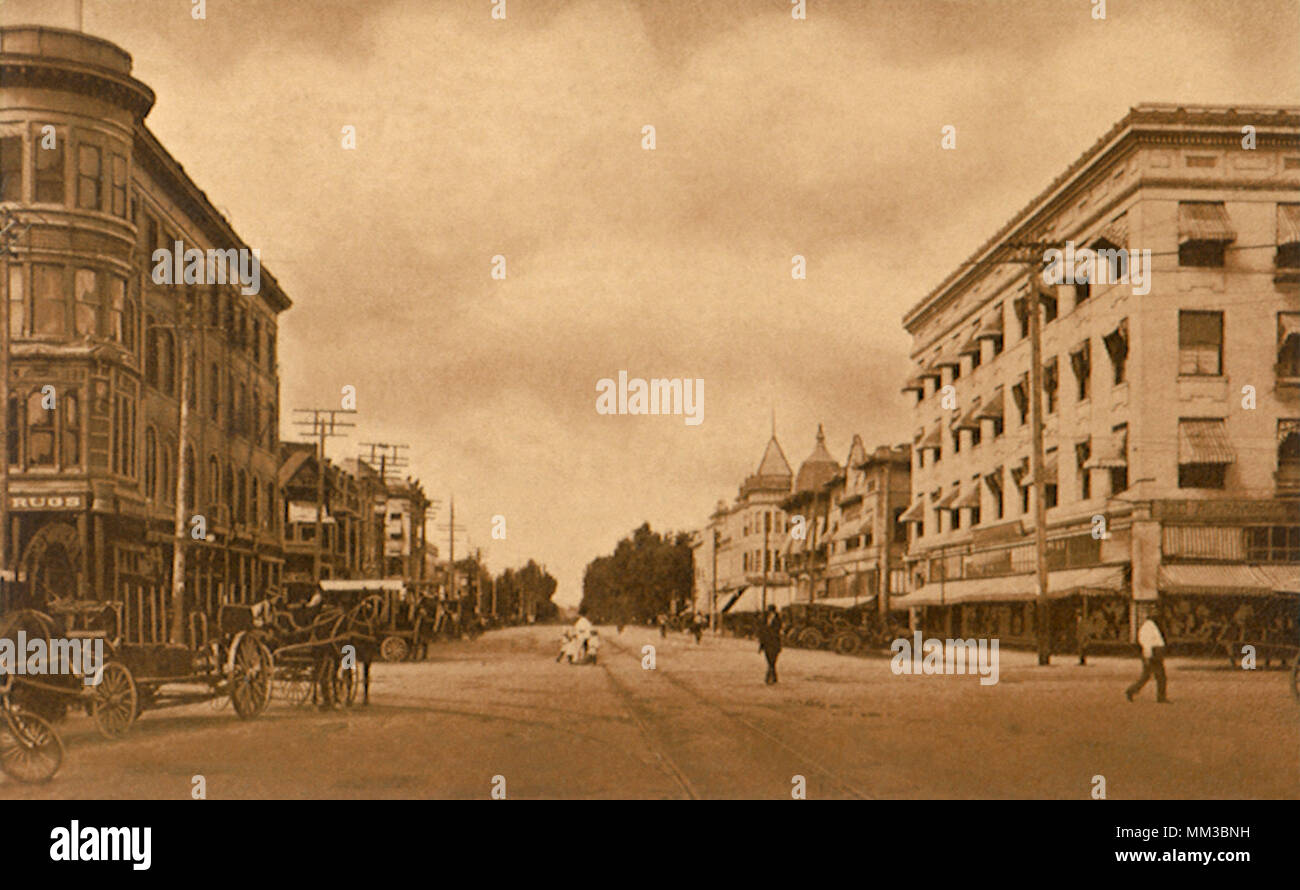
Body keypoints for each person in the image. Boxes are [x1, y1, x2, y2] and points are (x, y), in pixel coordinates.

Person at [1126, 608, 1170, 703]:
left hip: (1155, 652)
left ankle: (1131, 690)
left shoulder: (1151, 626)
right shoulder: (1149, 627)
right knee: (1160, 676)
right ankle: (1161, 697)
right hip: (1154, 653)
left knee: (1146, 676)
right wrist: (1147, 656)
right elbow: (1147, 643)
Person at [757, 605, 782, 685]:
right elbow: (762, 631)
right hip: (767, 643)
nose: (770, 613)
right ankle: (774, 677)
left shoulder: (778, 620)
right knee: (769, 661)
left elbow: (777, 631)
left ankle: (768, 677)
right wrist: (761, 644)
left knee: (772, 660)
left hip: (774, 643)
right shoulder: (764, 620)